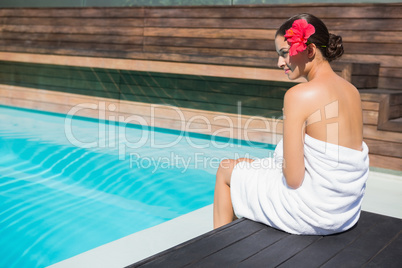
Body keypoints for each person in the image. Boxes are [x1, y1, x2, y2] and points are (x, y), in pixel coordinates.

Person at [213, 13, 369, 235]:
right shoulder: (351, 91)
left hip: (311, 212)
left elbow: (294, 179)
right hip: (343, 211)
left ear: (310, 50)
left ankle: (217, 251)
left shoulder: (299, 95)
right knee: (244, 164)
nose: (279, 63)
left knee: (226, 169)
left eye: (284, 54)